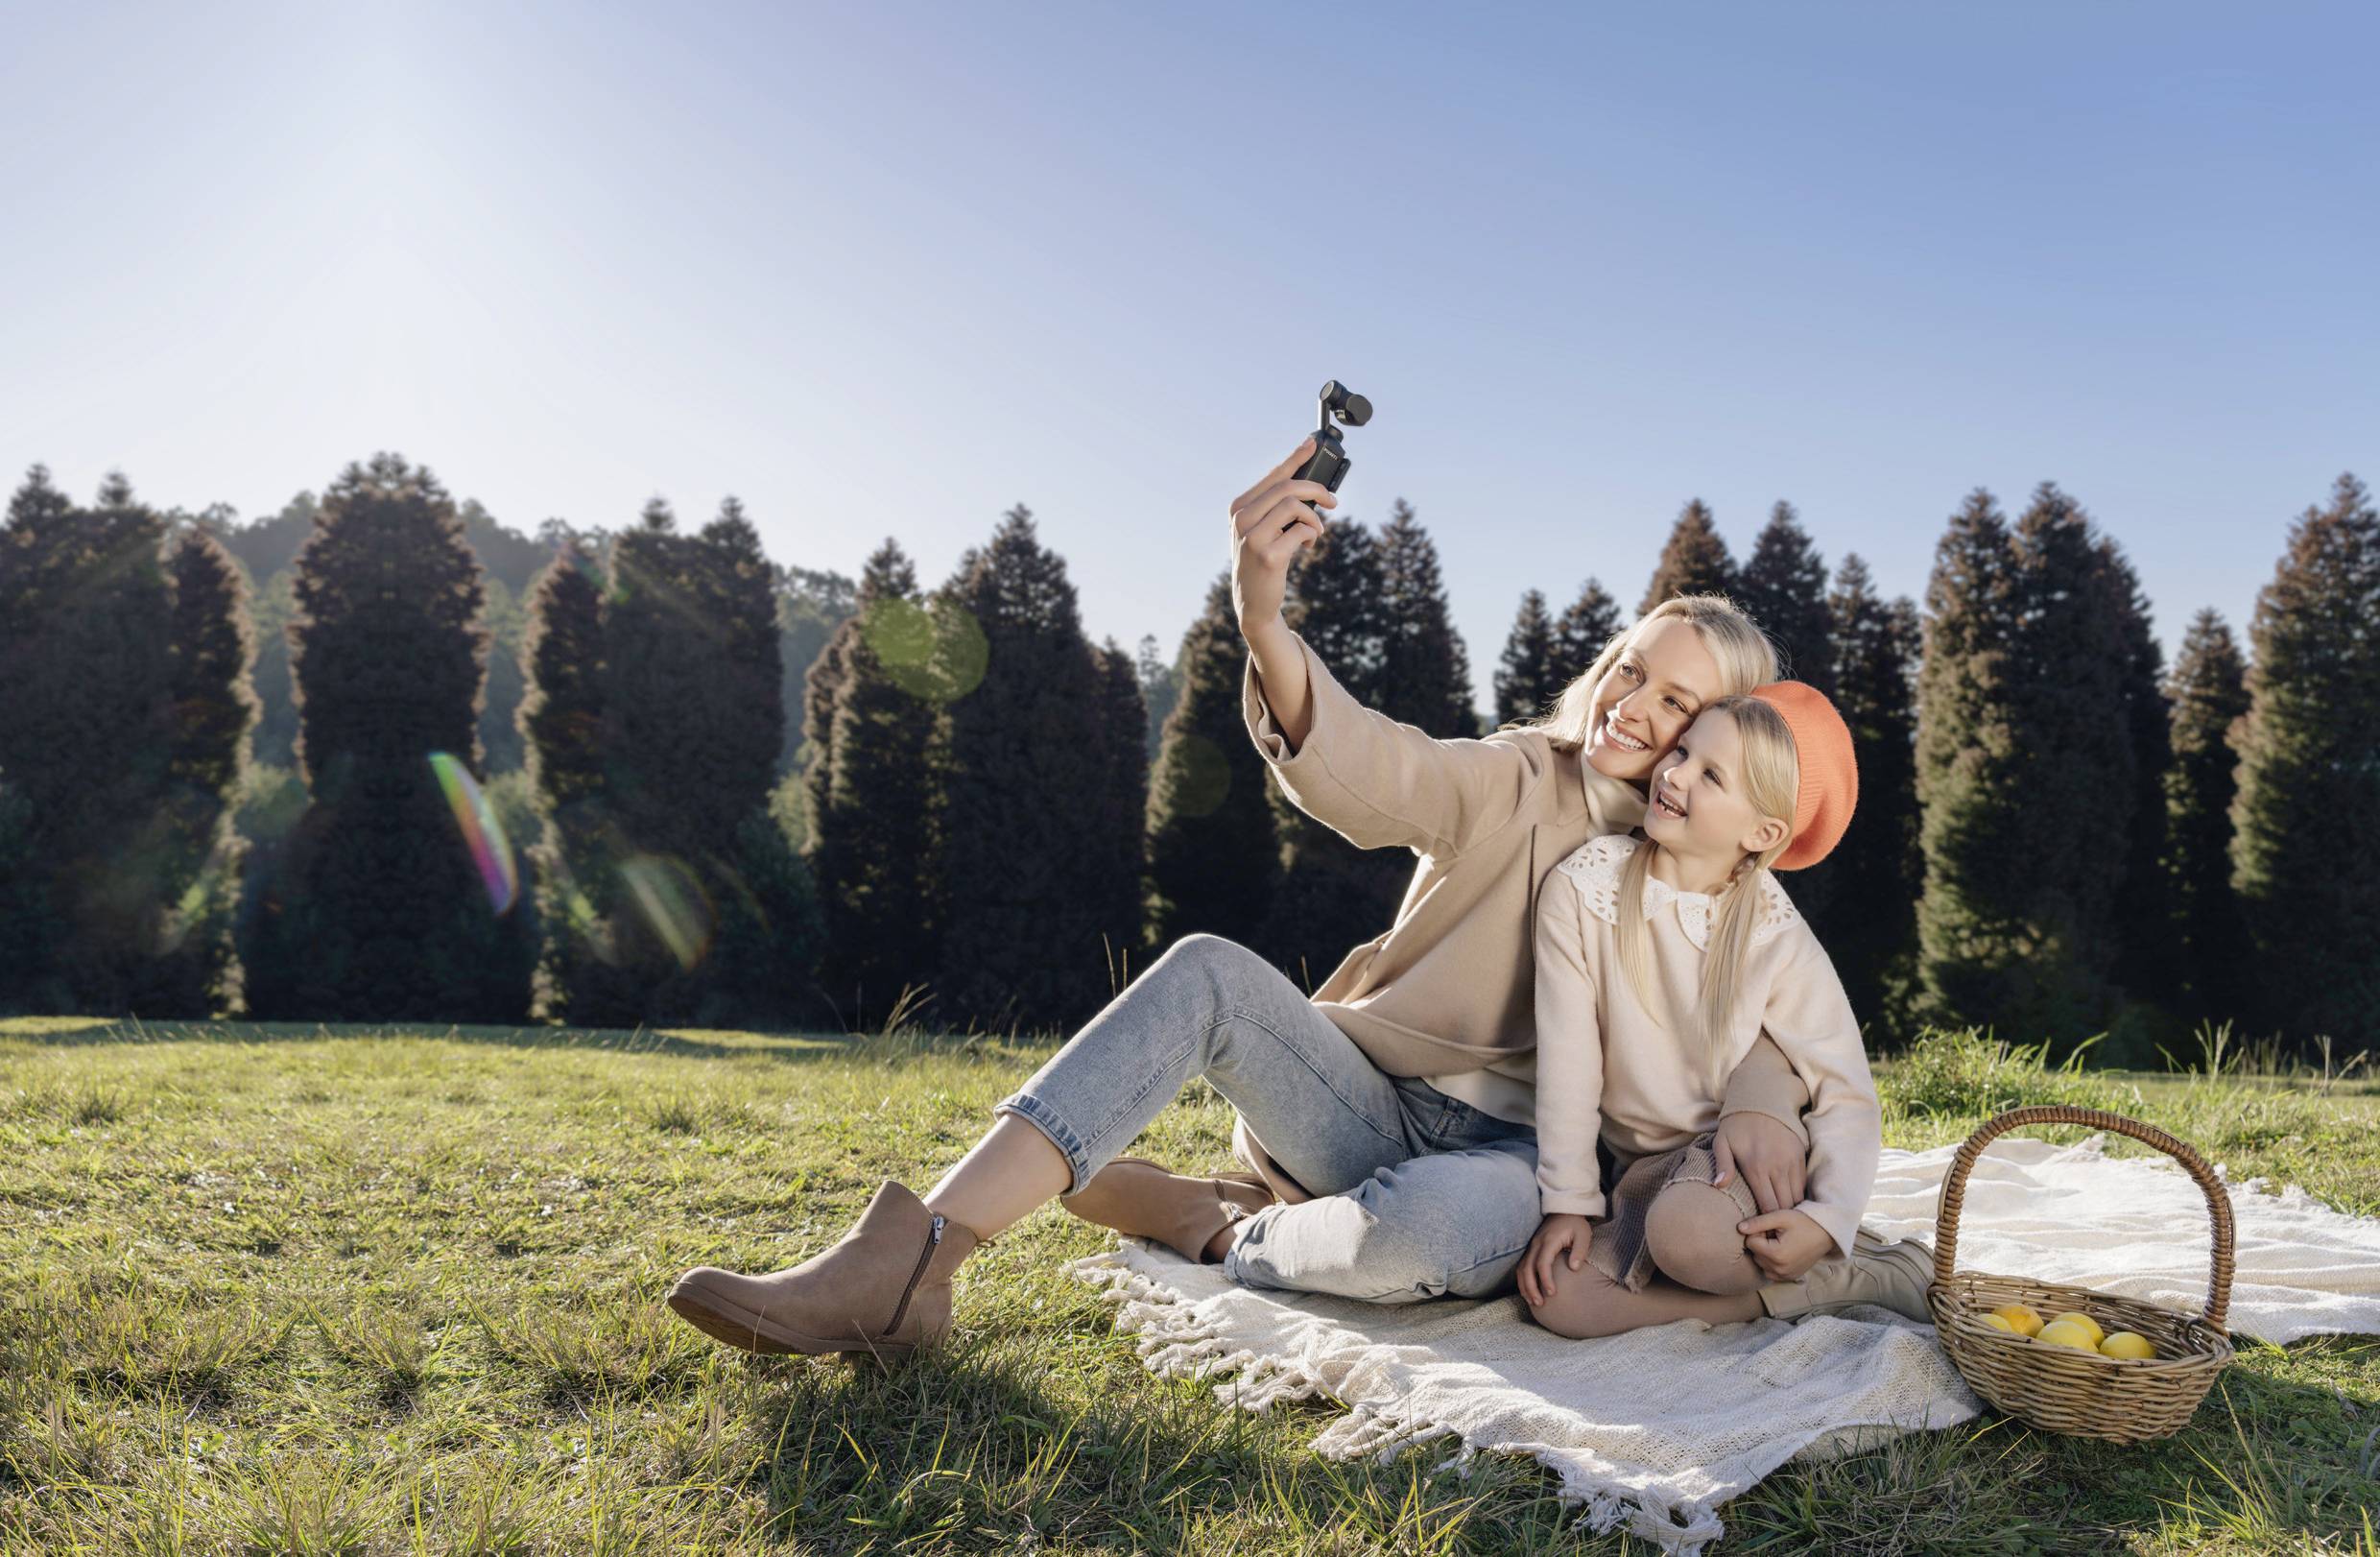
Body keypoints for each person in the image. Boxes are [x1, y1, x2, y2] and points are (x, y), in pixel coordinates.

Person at [662, 437, 1818, 1365]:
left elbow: (1767, 1012)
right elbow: (1376, 765)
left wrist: (1762, 1107)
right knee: (1210, 965)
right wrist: (1263, 619)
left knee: (1458, 1232)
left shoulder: (1716, 878)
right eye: (1629, 672)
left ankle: (1214, 1222)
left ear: (1724, 741)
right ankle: (912, 1260)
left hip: (1510, 1162)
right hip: (1360, 1101)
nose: (1632, 709)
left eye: (1676, 704)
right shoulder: (1520, 776)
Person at [1518, 682, 1935, 1338]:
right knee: (1559, 1299)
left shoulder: (1772, 928)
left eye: (1710, 774)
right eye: (1682, 752)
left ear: (1762, 831)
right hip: (1644, 1169)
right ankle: (1815, 1290)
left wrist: (1827, 1218)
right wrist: (1569, 1203)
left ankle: (1847, 1262)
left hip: (1736, 1163)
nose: (1674, 774)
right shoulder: (1585, 887)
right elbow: (1570, 1063)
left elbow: (1842, 1086)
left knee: (1690, 1235)